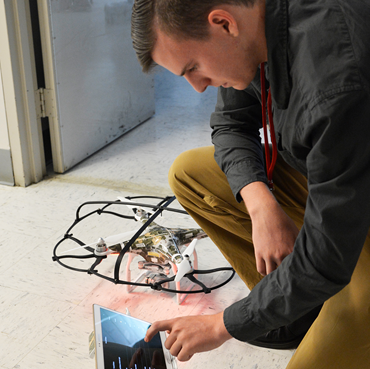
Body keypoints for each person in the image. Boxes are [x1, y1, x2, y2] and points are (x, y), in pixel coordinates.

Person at [130, 0, 370, 368]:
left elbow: (326, 261)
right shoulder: (255, 32)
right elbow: (229, 124)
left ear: (223, 22)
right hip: (341, 174)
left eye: (193, 67)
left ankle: (294, 301)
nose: (197, 87)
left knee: (327, 338)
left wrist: (222, 325)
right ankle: (291, 312)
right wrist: (262, 205)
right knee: (190, 173)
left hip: (355, 203)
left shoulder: (334, 82)